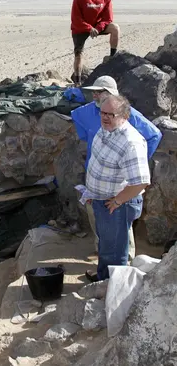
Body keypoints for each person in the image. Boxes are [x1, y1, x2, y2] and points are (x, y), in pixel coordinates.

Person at [71, 75, 162, 259]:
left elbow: (154, 135)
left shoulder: (125, 114)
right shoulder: (87, 112)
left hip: (119, 187)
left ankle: (125, 260)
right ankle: (102, 251)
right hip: (96, 181)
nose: (95, 96)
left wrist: (133, 166)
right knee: (98, 219)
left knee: (121, 227)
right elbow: (82, 129)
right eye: (94, 92)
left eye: (100, 92)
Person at [81, 95, 151, 282]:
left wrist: (118, 200)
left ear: (125, 116)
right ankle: (103, 280)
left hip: (117, 205)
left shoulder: (131, 143)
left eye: (110, 114)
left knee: (116, 253)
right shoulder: (105, 130)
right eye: (102, 113)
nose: (105, 117)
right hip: (102, 199)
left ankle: (114, 290)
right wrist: (92, 193)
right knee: (106, 246)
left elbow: (140, 181)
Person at [71, 0, 120, 85]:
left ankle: (113, 56)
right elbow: (76, 18)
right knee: (79, 54)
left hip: (97, 27)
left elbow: (108, 18)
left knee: (115, 28)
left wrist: (98, 28)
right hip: (81, 27)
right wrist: (89, 28)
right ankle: (77, 82)